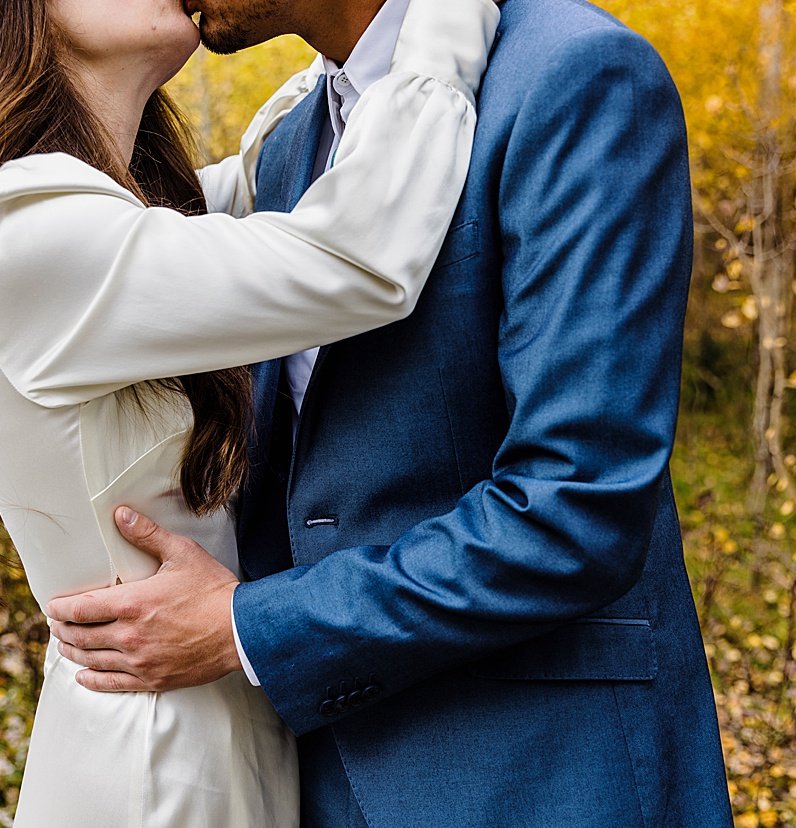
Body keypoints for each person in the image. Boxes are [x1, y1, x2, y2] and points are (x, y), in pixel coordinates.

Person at [41, 0, 737, 823]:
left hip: (542, 774)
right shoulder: (297, 142)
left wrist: (247, 627)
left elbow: (576, 504)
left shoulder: (576, 74)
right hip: (315, 774)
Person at [0, 0, 497, 822]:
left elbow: (286, 174)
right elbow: (354, 256)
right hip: (153, 765)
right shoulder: (19, 231)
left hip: (210, 731)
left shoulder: (98, 220)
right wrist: (448, 14)